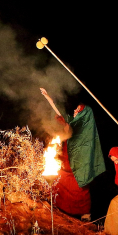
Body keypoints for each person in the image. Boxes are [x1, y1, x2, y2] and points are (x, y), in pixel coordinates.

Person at [40, 88, 106, 221]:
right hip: (66, 160)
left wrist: (65, 124)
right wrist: (49, 98)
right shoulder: (73, 123)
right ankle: (58, 208)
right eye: (76, 109)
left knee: (80, 187)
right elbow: (61, 116)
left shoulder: (86, 129)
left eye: (78, 110)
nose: (75, 111)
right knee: (59, 181)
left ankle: (85, 214)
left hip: (78, 165)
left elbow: (70, 130)